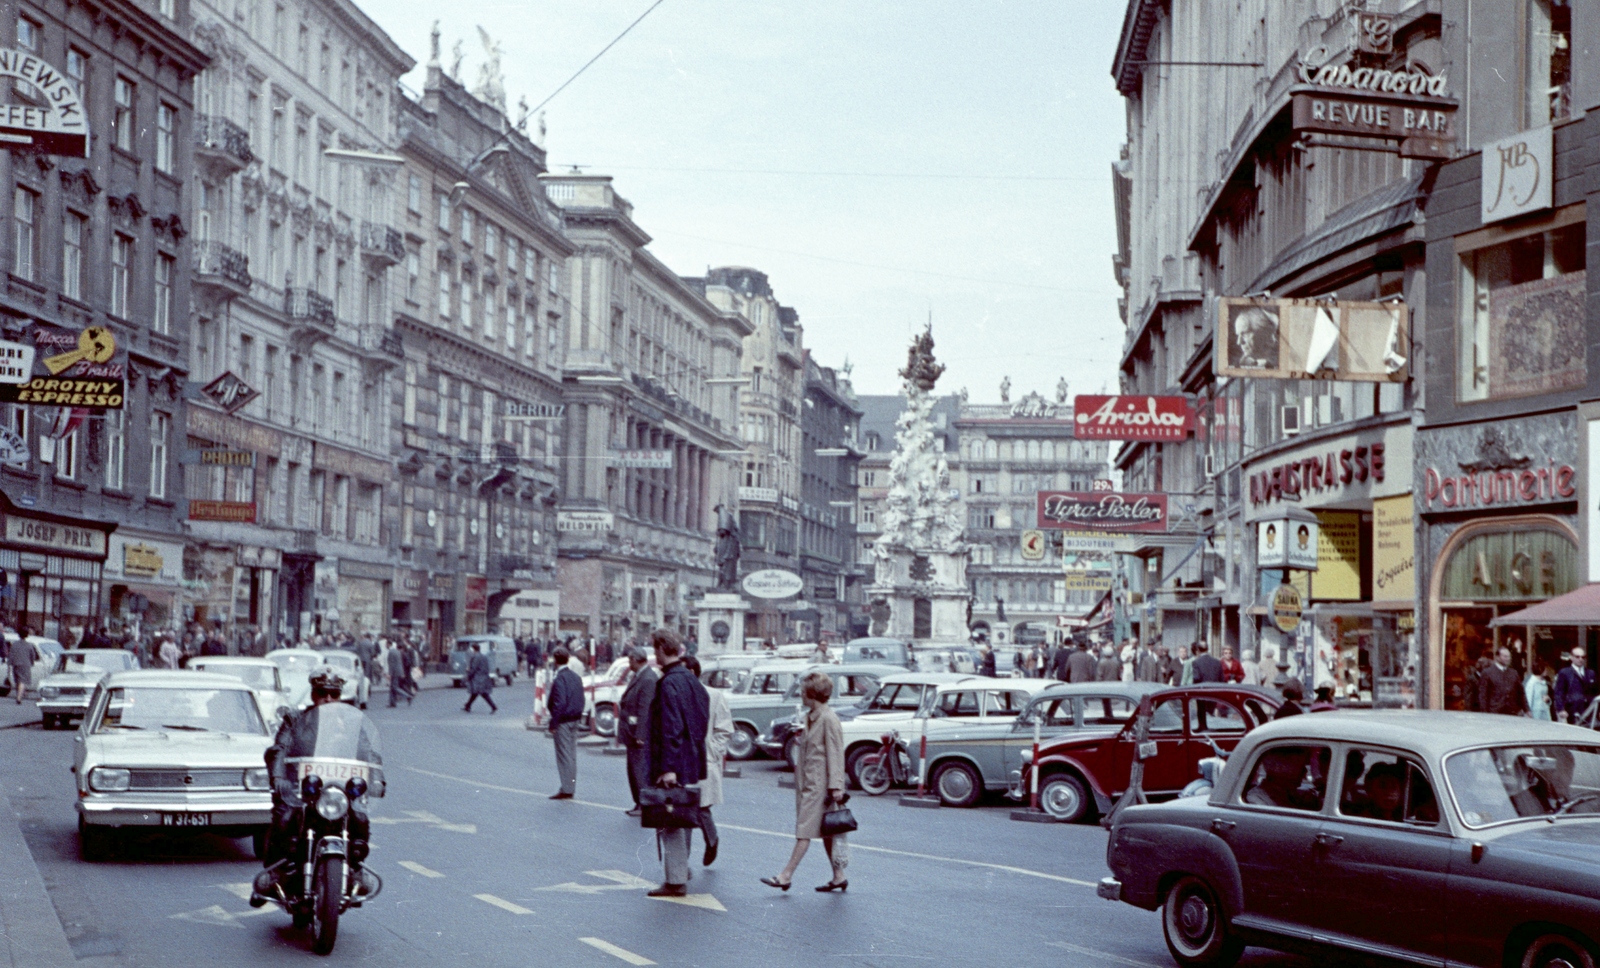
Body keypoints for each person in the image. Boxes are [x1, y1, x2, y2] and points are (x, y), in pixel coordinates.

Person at [252, 670, 376, 902]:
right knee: (284, 817)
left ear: (339, 697)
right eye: (322, 693)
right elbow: (279, 749)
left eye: (334, 694)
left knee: (359, 817)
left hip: (338, 790)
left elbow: (368, 754)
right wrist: (279, 778)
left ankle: (355, 868)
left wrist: (375, 778)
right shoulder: (294, 719)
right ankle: (273, 873)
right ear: (313, 694)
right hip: (302, 788)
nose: (328, 699)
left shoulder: (351, 723)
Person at [763, 670, 848, 893]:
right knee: (826, 830)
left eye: (803, 692)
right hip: (810, 782)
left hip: (821, 786)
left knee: (804, 830)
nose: (800, 695)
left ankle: (785, 875)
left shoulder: (828, 718)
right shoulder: (812, 716)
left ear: (812, 694)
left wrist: (837, 785)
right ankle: (839, 876)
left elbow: (836, 753)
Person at [645, 630, 709, 898]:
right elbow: (703, 715)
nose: (654, 654)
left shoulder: (668, 683)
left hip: (672, 761)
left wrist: (668, 767)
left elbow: (671, 727)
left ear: (662, 649)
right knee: (682, 817)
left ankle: (675, 880)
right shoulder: (691, 681)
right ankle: (680, 871)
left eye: (654, 648)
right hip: (690, 759)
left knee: (670, 821)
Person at [685, 654, 730, 866]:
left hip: (704, 759)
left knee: (701, 807)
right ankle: (681, 862)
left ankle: (711, 840)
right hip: (683, 760)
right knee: (682, 809)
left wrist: (712, 750)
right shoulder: (676, 694)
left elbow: (724, 729)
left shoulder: (714, 696)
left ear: (692, 673)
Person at [618, 647, 659, 816]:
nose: (629, 664)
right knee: (633, 768)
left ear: (636, 660)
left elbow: (645, 709)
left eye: (630, 661)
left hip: (639, 734)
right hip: (632, 732)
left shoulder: (648, 678)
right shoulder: (640, 676)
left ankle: (644, 804)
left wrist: (641, 734)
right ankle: (638, 803)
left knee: (639, 769)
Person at [546, 645, 584, 799]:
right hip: (575, 719)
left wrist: (553, 723)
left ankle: (567, 788)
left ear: (555, 661)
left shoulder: (560, 678)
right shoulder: (576, 677)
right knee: (571, 755)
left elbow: (559, 702)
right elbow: (581, 698)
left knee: (564, 755)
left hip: (563, 720)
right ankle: (570, 785)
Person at [1478, 647, 1528, 716]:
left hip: (1512, 711)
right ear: (1497, 657)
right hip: (1495, 711)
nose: (1508, 659)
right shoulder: (1487, 673)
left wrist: (1527, 709)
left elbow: (1521, 692)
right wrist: (1484, 712)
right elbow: (1483, 695)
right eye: (1505, 656)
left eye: (1509, 656)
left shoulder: (1514, 673)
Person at [1554, 647, 1598, 724]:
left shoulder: (1591, 673)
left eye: (1583, 657)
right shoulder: (1565, 673)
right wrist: (1561, 709)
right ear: (1571, 657)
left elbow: (1595, 693)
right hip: (1572, 710)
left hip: (1589, 710)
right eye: (1577, 657)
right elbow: (1559, 692)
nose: (1580, 659)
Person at [462, 642, 497, 714]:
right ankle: (467, 705)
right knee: (475, 693)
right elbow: (487, 667)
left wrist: (469, 676)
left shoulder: (476, 657)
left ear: (474, 650)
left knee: (482, 693)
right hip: (484, 677)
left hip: (478, 678)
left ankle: (493, 706)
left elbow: (474, 668)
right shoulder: (484, 656)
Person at [6, 632, 36, 704]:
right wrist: (32, 662)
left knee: (18, 680)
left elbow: (11, 654)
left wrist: (9, 663)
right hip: (25, 664)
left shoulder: (15, 644)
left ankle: (18, 695)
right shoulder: (29, 645)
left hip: (16, 664)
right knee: (23, 681)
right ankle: (19, 697)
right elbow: (32, 655)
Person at [387, 640, 410, 708]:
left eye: (386, 644)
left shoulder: (391, 652)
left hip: (394, 672)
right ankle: (392, 703)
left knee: (394, 687)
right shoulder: (397, 652)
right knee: (392, 688)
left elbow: (392, 664)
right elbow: (399, 663)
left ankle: (407, 696)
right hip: (398, 671)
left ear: (389, 644)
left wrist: (389, 674)